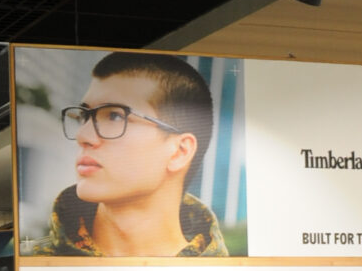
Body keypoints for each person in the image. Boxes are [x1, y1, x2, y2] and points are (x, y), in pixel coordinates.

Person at [34, 51, 227, 258]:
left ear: (179, 152)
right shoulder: (26, 263)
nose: (83, 136)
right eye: (84, 116)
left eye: (115, 116)